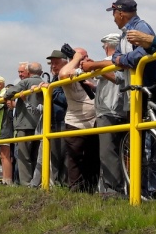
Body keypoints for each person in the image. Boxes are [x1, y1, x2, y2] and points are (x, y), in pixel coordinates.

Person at [81, 33, 127, 196]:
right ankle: (128, 186)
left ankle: (113, 189)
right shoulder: (123, 61)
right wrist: (95, 87)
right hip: (123, 109)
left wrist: (92, 66)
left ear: (107, 46)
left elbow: (112, 77)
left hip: (108, 111)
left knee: (108, 152)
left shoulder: (106, 63)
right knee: (123, 151)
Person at [59, 47, 99, 192]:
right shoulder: (69, 72)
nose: (85, 58)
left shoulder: (91, 71)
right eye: (82, 56)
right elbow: (63, 74)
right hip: (76, 123)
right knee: (76, 160)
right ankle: (75, 192)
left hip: (95, 122)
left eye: (86, 56)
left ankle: (91, 191)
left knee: (93, 159)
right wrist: (76, 59)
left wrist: (93, 65)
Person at [31, 51, 70, 187]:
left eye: (57, 63)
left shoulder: (67, 77)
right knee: (50, 156)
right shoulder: (55, 79)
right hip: (52, 122)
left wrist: (51, 91)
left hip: (62, 120)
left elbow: (67, 100)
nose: (53, 66)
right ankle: (47, 185)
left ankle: (57, 186)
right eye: (52, 63)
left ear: (66, 63)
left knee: (59, 156)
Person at [4, 62, 44, 186]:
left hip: (24, 124)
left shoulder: (25, 83)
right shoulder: (44, 82)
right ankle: (36, 182)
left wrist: (8, 96)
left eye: (21, 72)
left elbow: (9, 92)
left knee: (23, 156)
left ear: (29, 72)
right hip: (40, 124)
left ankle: (26, 183)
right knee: (36, 155)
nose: (20, 74)